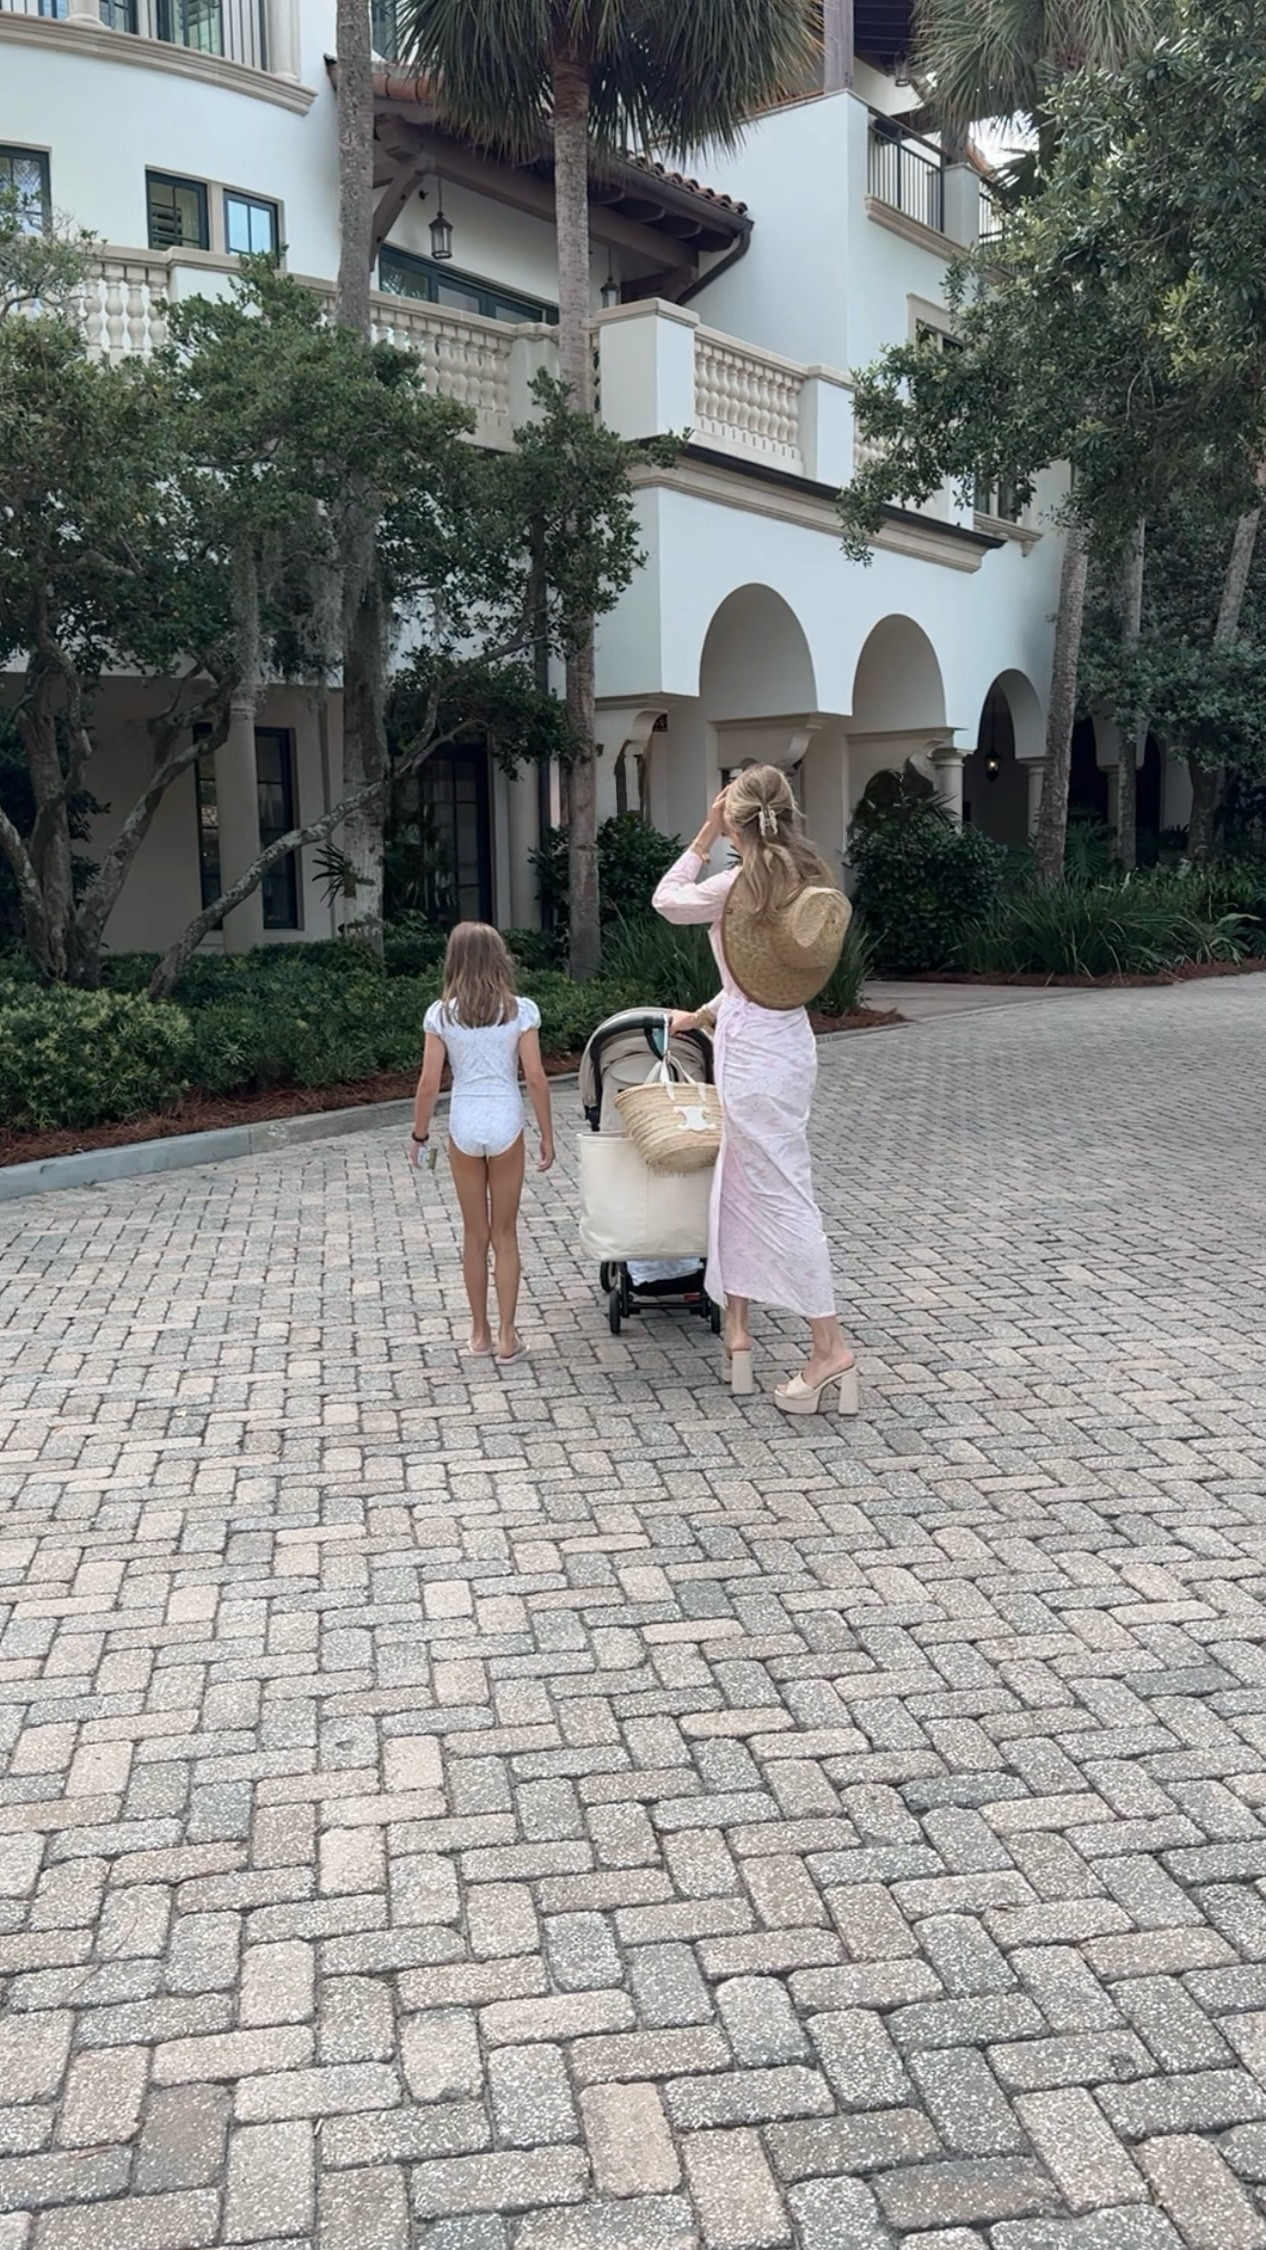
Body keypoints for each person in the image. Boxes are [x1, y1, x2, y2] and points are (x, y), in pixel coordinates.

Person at [652, 765, 858, 1416]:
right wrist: (707, 1013)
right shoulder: (806, 878)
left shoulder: (736, 881)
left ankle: (829, 1348)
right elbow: (764, 980)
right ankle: (738, 1335)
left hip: (752, 1058)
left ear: (737, 823)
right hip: (788, 1042)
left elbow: (666, 898)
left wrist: (704, 832)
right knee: (740, 1184)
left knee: (782, 1191)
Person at [408, 923, 554, 1365]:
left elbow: (430, 1081)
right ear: (499, 958)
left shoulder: (441, 1014)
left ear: (453, 960)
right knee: (505, 1234)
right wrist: (547, 1133)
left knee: (475, 1235)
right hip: (506, 1117)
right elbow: (535, 1076)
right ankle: (509, 1337)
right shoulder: (520, 1011)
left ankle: (478, 1333)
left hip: (464, 1121)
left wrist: (419, 1135)